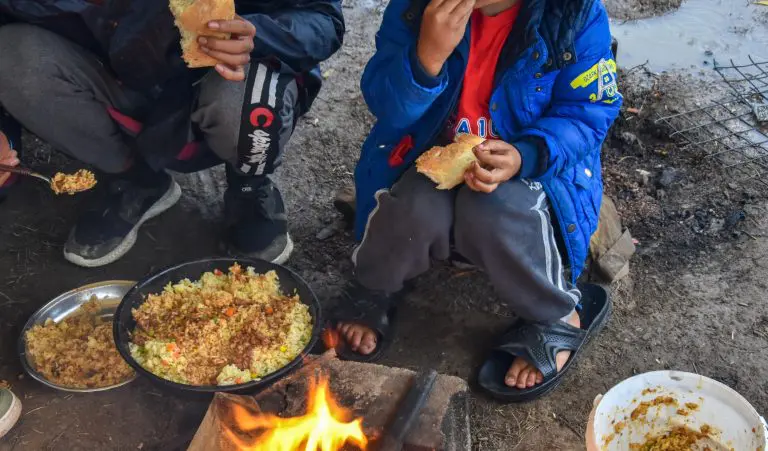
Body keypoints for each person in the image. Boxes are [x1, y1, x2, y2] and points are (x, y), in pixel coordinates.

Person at [335, 0, 621, 401]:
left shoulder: (572, 14)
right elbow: (388, 109)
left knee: (493, 208)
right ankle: (377, 286)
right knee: (414, 206)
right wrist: (427, 57)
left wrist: (526, 154)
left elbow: (590, 110)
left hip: (532, 173)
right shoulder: (415, 8)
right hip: (433, 156)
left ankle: (556, 314)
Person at [0, 0, 344, 266]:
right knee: (11, 56)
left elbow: (322, 19)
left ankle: (249, 186)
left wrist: (256, 35)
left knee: (244, 99)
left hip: (227, 78)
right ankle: (135, 180)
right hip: (113, 77)